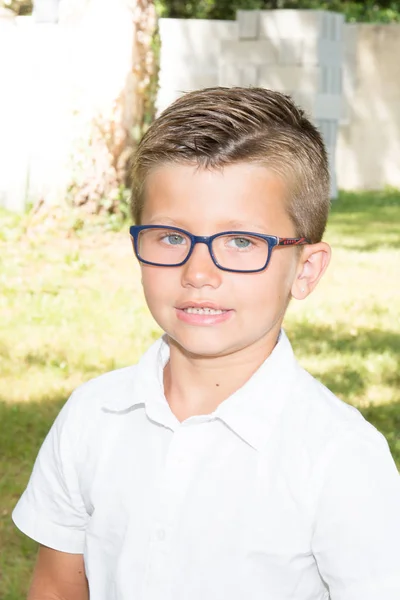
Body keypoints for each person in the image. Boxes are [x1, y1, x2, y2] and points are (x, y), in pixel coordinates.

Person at [13, 87, 400, 600]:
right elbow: (59, 587)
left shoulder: (340, 456)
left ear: (305, 270)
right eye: (171, 237)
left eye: (242, 242)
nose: (199, 272)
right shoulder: (92, 417)